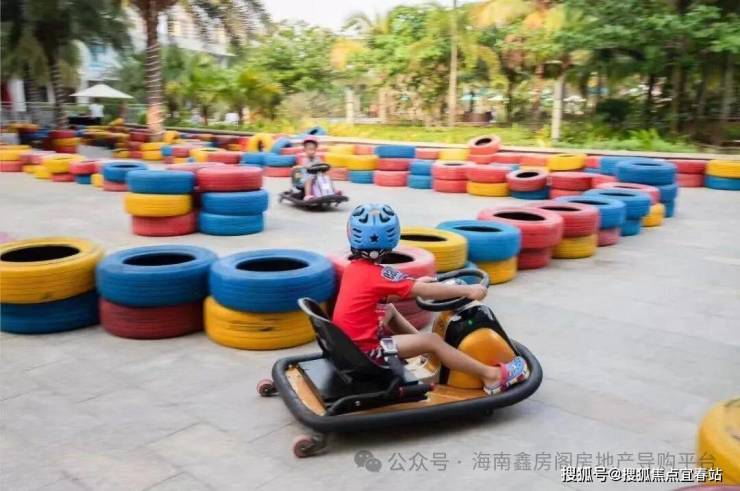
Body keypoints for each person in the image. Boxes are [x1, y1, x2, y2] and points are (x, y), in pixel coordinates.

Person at [332, 203, 529, 395]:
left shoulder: (353, 269)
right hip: (368, 353)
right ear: (393, 236)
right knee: (433, 340)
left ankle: (423, 351)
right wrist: (469, 290)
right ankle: (491, 376)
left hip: (349, 346)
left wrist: (417, 284)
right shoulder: (379, 274)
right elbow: (425, 292)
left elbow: (382, 292)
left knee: (389, 308)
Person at [299, 136, 322, 200]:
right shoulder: (305, 159)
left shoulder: (317, 158)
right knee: (309, 178)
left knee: (325, 176)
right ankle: (307, 195)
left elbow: (321, 165)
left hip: (315, 177)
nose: (312, 151)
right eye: (310, 149)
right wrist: (309, 166)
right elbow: (306, 167)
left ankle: (331, 190)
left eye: (314, 149)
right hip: (305, 179)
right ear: (305, 150)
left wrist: (324, 167)